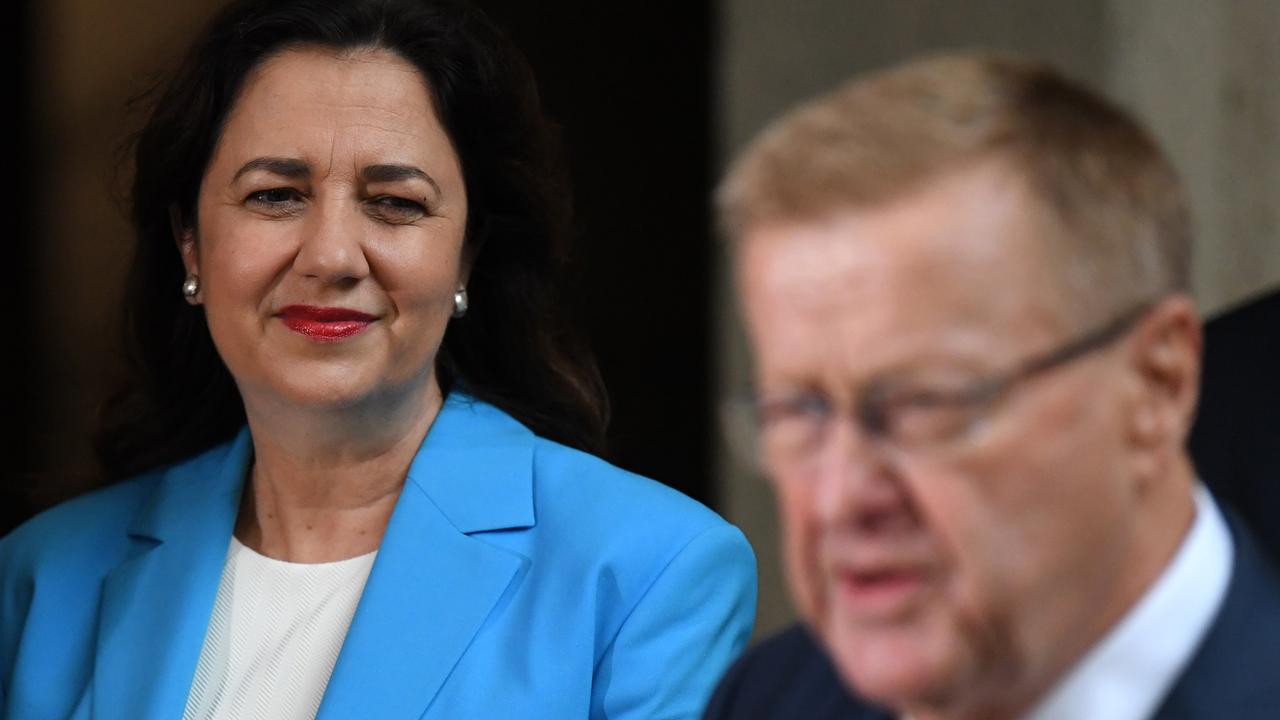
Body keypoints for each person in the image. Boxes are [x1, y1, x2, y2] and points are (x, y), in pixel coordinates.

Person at [0, 1, 755, 718]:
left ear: (467, 258)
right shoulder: (43, 578)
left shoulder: (649, 572)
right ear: (189, 243)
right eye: (274, 195)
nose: (330, 256)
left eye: (395, 204)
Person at [704, 52, 1280, 719]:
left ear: (1157, 383)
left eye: (923, 404)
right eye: (799, 411)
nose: (840, 498)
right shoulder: (772, 701)